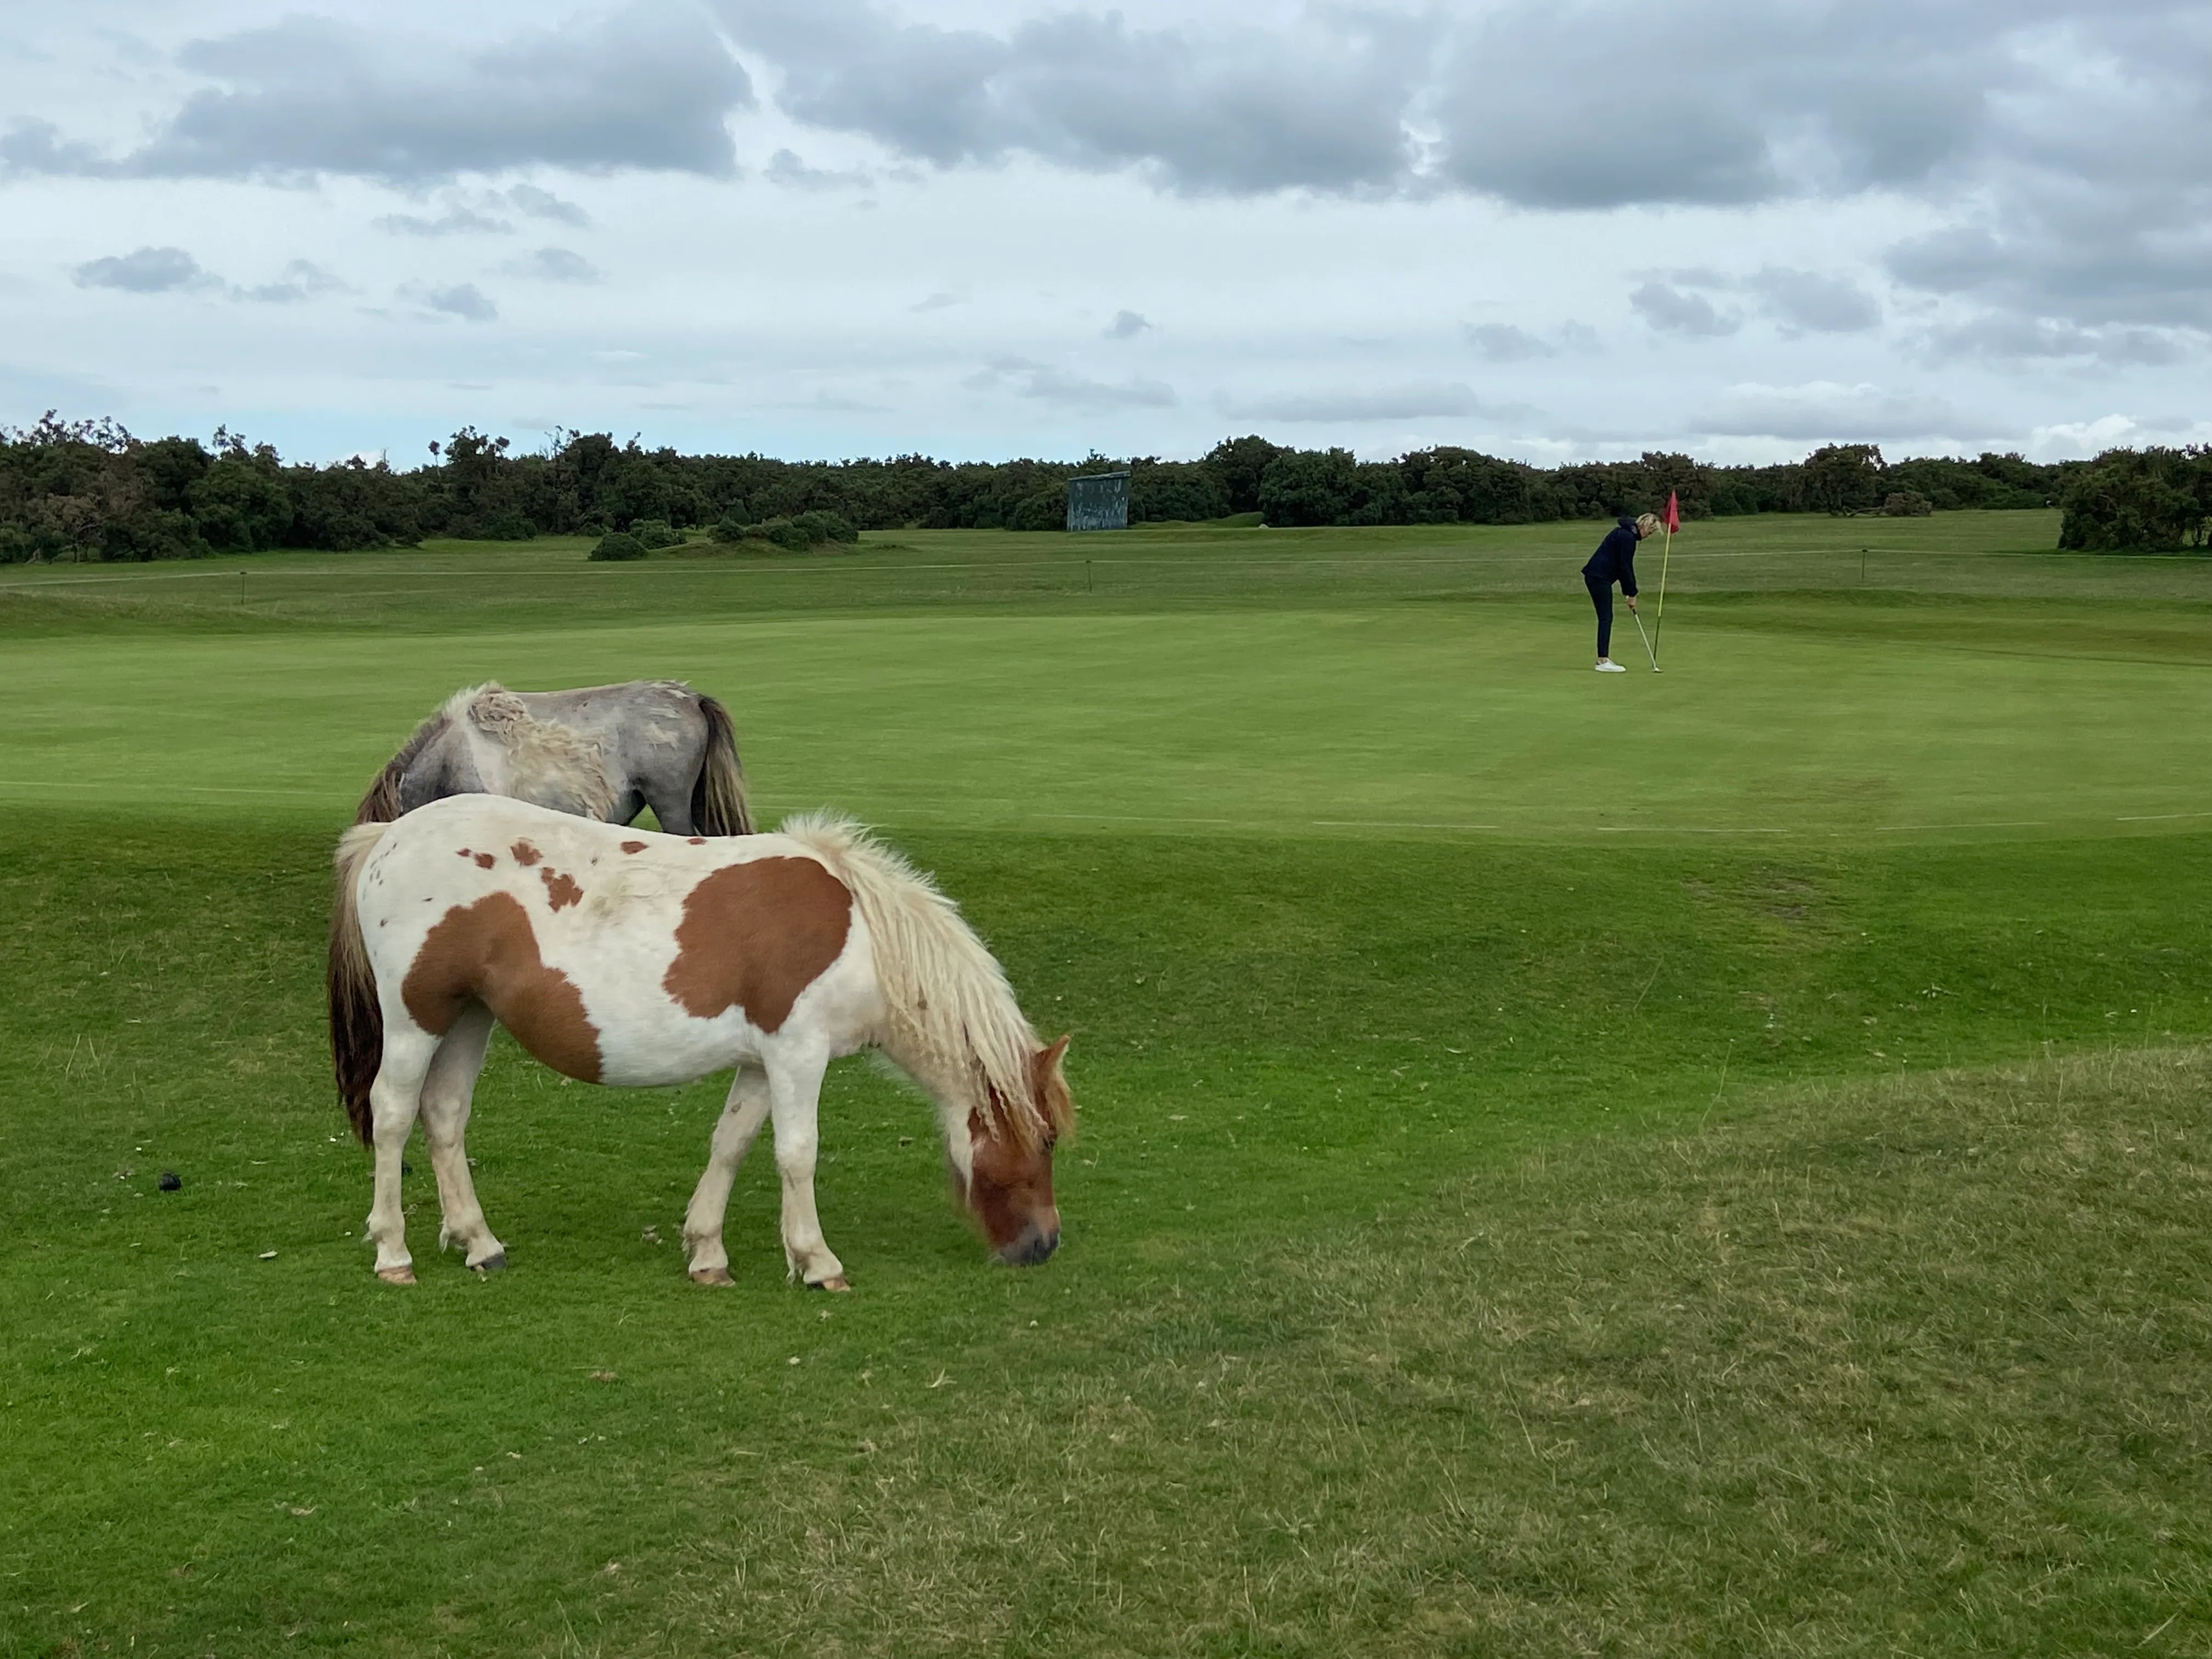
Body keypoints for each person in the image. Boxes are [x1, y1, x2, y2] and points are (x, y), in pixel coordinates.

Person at [1582, 511, 1657, 672]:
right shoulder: (1627, 537)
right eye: (1650, 532)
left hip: (1598, 576)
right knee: (1606, 617)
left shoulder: (1626, 533)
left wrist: (1629, 592)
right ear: (1644, 527)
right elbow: (1625, 567)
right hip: (1598, 577)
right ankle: (1602, 661)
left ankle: (1603, 659)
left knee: (1606, 617)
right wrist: (1632, 594)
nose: (1648, 536)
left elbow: (1622, 568)